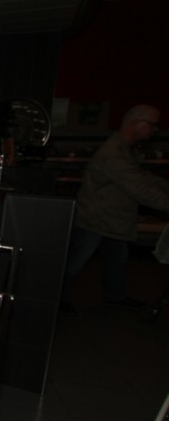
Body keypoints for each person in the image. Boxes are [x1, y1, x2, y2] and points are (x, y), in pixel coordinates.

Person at [61, 104, 169, 310]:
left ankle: (115, 296)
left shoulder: (124, 149)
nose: (155, 130)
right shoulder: (114, 153)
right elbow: (139, 187)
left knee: (115, 261)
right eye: (153, 125)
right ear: (136, 123)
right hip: (96, 219)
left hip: (111, 218)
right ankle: (55, 299)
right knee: (75, 263)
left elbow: (142, 178)